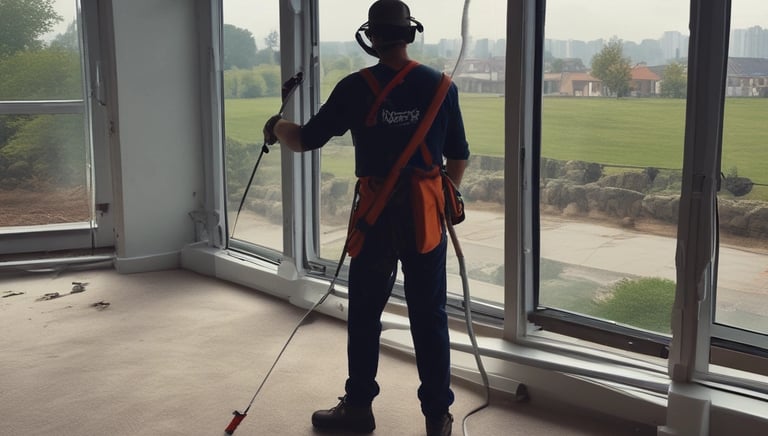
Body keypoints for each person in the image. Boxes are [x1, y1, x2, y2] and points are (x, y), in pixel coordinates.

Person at [263, 1, 469, 435]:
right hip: (424, 218)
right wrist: (436, 192)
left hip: (376, 215)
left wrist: (276, 125)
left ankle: (359, 408)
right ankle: (438, 417)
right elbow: (459, 157)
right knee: (428, 316)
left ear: (371, 37)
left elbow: (303, 140)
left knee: (365, 313)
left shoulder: (356, 87)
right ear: (409, 34)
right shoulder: (441, 87)